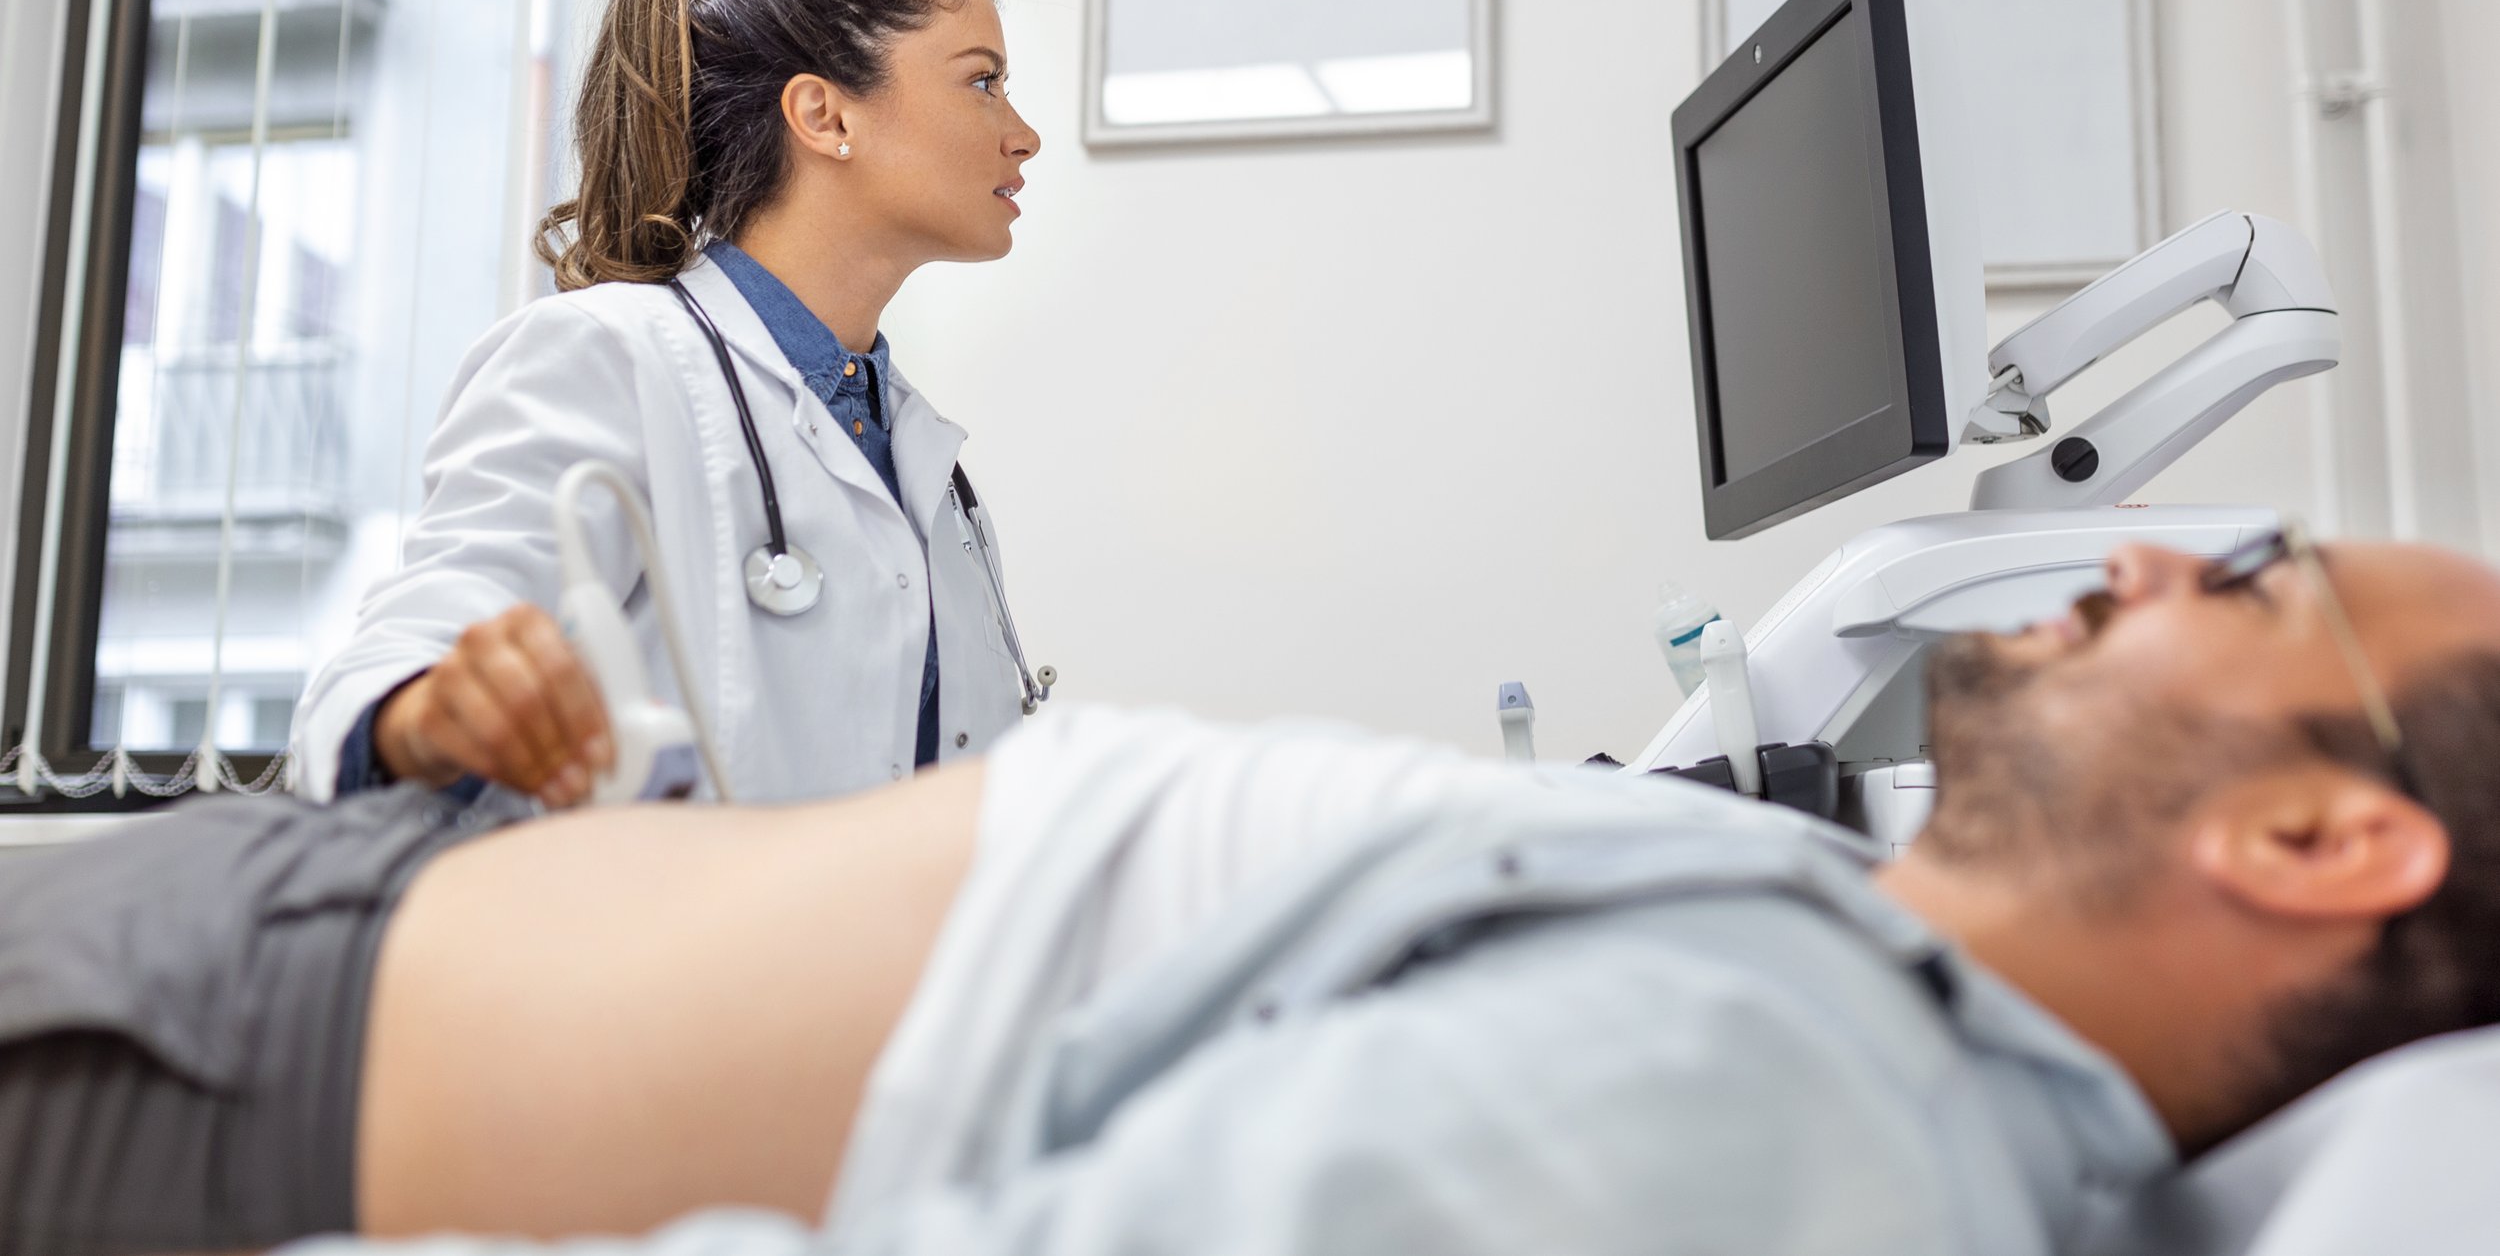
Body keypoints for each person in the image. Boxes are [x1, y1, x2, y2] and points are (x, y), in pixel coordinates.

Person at [9, 532, 2500, 1256]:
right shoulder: (1828, 988)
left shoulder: (1795, 1094)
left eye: (2261, 576)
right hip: (283, 959)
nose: (2154, 546)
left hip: (240, 1082)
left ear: (2310, 839)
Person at [290, 0, 1045, 807]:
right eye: (982, 82)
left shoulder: (920, 459)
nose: (1024, 135)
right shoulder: (604, 360)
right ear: (825, 116)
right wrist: (432, 707)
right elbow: (405, 656)